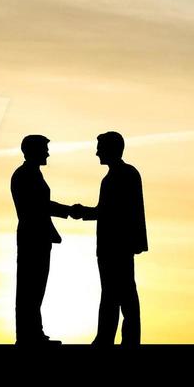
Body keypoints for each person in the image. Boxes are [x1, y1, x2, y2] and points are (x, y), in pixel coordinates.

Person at [60, 131, 148, 345]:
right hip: (111, 245)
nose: (97, 152)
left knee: (121, 293)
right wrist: (85, 213)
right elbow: (107, 211)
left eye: (100, 147)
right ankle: (110, 337)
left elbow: (117, 212)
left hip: (117, 245)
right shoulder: (113, 177)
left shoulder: (124, 175)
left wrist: (85, 212)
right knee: (115, 292)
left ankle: (115, 339)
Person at [5, 134, 76, 345]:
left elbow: (41, 205)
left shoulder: (31, 174)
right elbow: (39, 206)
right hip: (32, 236)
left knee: (36, 287)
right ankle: (29, 336)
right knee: (30, 287)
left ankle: (34, 333)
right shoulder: (25, 175)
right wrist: (69, 211)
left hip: (38, 236)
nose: (47, 153)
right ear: (32, 151)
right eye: (44, 149)